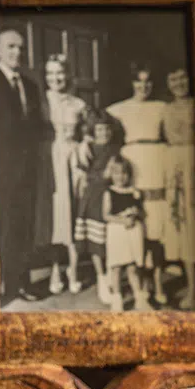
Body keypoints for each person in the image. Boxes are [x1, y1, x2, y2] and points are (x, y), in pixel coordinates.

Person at [0, 27, 51, 304]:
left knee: (24, 226)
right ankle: (0, 286)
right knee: (1, 226)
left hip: (27, 169)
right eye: (11, 47)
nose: (17, 53)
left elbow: (36, 125)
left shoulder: (29, 85)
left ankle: (21, 282)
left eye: (20, 48)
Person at [106, 63, 168, 307]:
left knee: (156, 230)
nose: (143, 87)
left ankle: (158, 284)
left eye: (148, 82)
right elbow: (95, 122)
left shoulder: (161, 107)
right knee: (137, 230)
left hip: (156, 159)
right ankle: (139, 288)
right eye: (138, 82)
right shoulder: (119, 109)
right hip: (133, 161)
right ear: (132, 84)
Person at [44, 55, 89, 296]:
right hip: (50, 159)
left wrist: (81, 159)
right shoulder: (42, 100)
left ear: (67, 74)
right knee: (54, 214)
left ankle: (72, 269)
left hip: (72, 160)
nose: (55, 78)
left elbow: (87, 134)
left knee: (72, 213)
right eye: (50, 73)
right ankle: (54, 269)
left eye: (59, 73)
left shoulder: (79, 104)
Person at [162, 67, 195, 308]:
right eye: (173, 79)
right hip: (175, 165)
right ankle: (191, 285)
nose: (178, 83)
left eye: (182, 78)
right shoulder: (166, 109)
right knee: (182, 224)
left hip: (194, 161)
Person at [74, 109, 119, 305]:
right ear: (94, 130)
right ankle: (101, 278)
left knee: (108, 238)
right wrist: (99, 176)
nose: (104, 133)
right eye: (100, 129)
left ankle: (111, 274)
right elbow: (83, 174)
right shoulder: (88, 148)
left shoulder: (116, 148)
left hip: (110, 196)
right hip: (93, 196)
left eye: (107, 129)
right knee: (95, 240)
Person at [102, 156, 148, 312]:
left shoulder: (134, 192)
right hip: (117, 232)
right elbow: (106, 215)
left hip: (133, 232)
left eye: (124, 173)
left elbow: (142, 212)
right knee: (116, 267)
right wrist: (122, 221)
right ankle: (117, 300)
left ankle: (139, 299)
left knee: (132, 267)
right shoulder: (109, 192)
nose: (120, 177)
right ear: (111, 174)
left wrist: (136, 213)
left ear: (129, 174)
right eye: (116, 173)